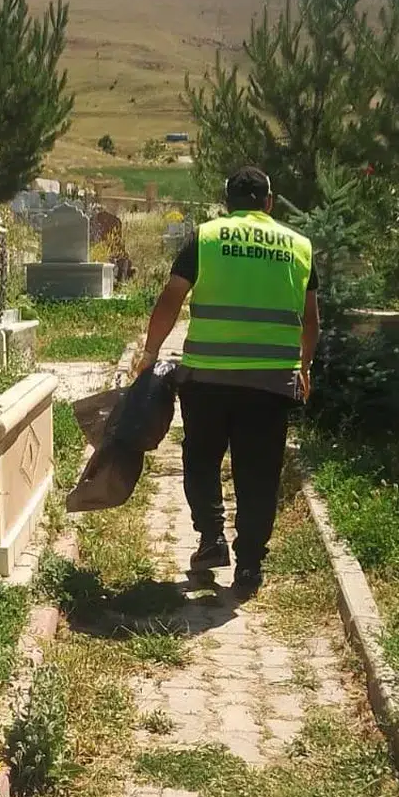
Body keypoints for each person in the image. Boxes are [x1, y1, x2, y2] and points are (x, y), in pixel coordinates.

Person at [136, 166, 319, 594]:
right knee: (259, 472)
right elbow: (311, 320)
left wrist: (149, 353)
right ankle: (250, 565)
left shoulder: (208, 238)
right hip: (270, 384)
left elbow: (170, 298)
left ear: (226, 202)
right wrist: (305, 367)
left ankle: (211, 538)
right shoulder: (299, 246)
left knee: (201, 457)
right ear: (269, 203)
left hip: (208, 378)